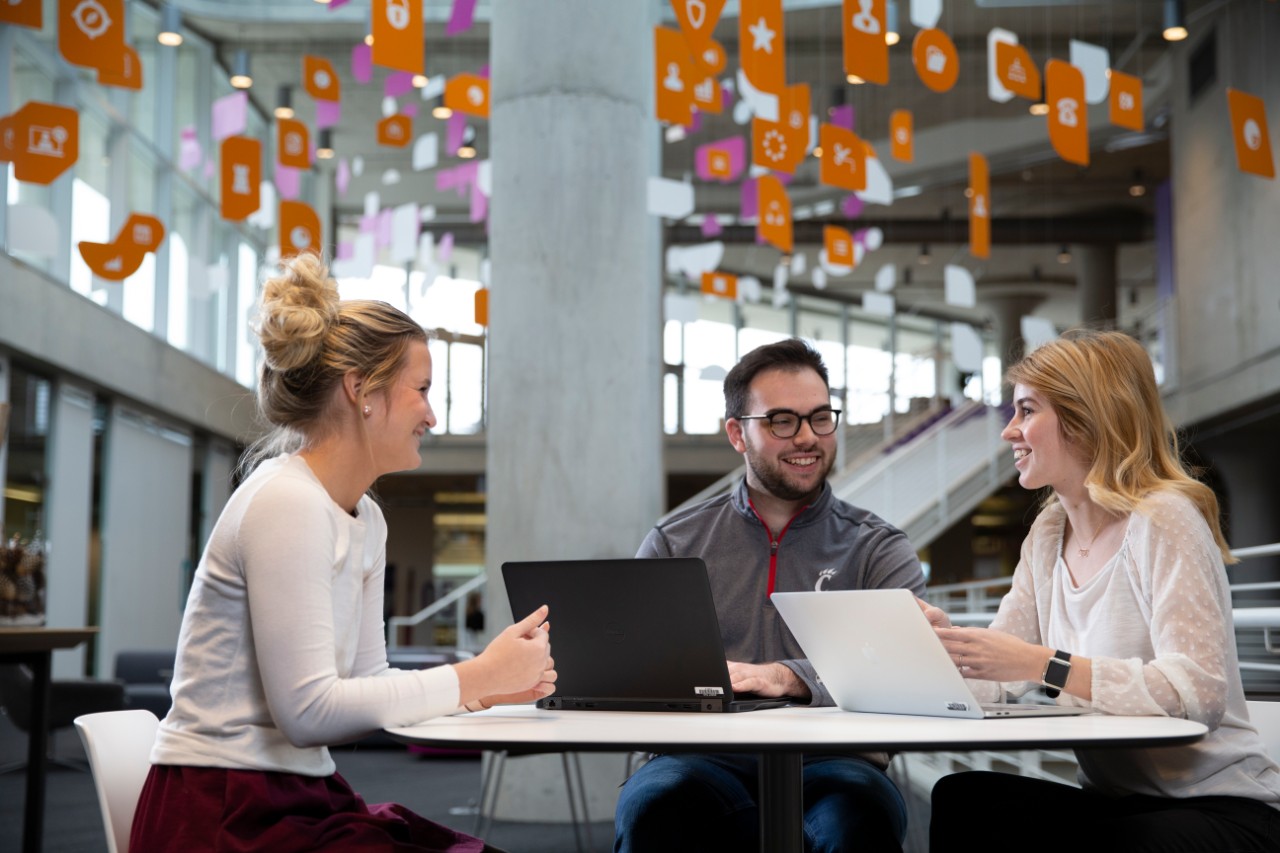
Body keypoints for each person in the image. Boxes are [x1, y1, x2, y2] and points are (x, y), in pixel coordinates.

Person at [131, 254, 556, 853]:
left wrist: (484, 688)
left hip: (293, 794)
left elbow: (366, 684)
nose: (432, 416)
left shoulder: (366, 516)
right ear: (362, 391)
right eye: (423, 391)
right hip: (222, 807)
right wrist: (471, 677)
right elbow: (308, 713)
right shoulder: (287, 502)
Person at [924, 329, 1280, 852]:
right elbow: (997, 679)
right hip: (1120, 801)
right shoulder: (1047, 534)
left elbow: (1197, 692)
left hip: (1222, 809)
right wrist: (939, 647)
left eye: (1026, 411)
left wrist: (1045, 663)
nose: (1009, 432)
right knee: (964, 797)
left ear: (1085, 418)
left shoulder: (1163, 518)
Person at [614, 338, 926, 853]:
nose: (808, 437)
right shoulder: (676, 541)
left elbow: (908, 671)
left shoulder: (878, 546)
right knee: (655, 807)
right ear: (737, 433)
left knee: (856, 821)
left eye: (820, 417)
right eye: (782, 421)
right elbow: (635, 669)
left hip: (838, 760)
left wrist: (786, 678)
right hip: (697, 757)